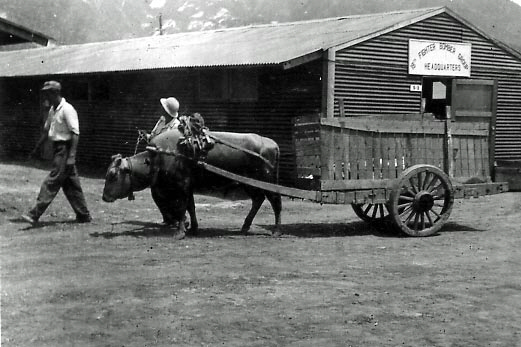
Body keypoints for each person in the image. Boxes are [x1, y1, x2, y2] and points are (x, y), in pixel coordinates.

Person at [21, 81, 92, 225]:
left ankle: (34, 214)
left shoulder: (67, 109)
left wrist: (71, 155)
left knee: (52, 180)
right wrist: (36, 148)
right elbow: (47, 131)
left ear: (55, 93)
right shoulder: (53, 110)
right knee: (71, 184)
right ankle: (84, 215)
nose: (45, 96)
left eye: (47, 93)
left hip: (65, 149)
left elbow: (75, 133)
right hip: (57, 148)